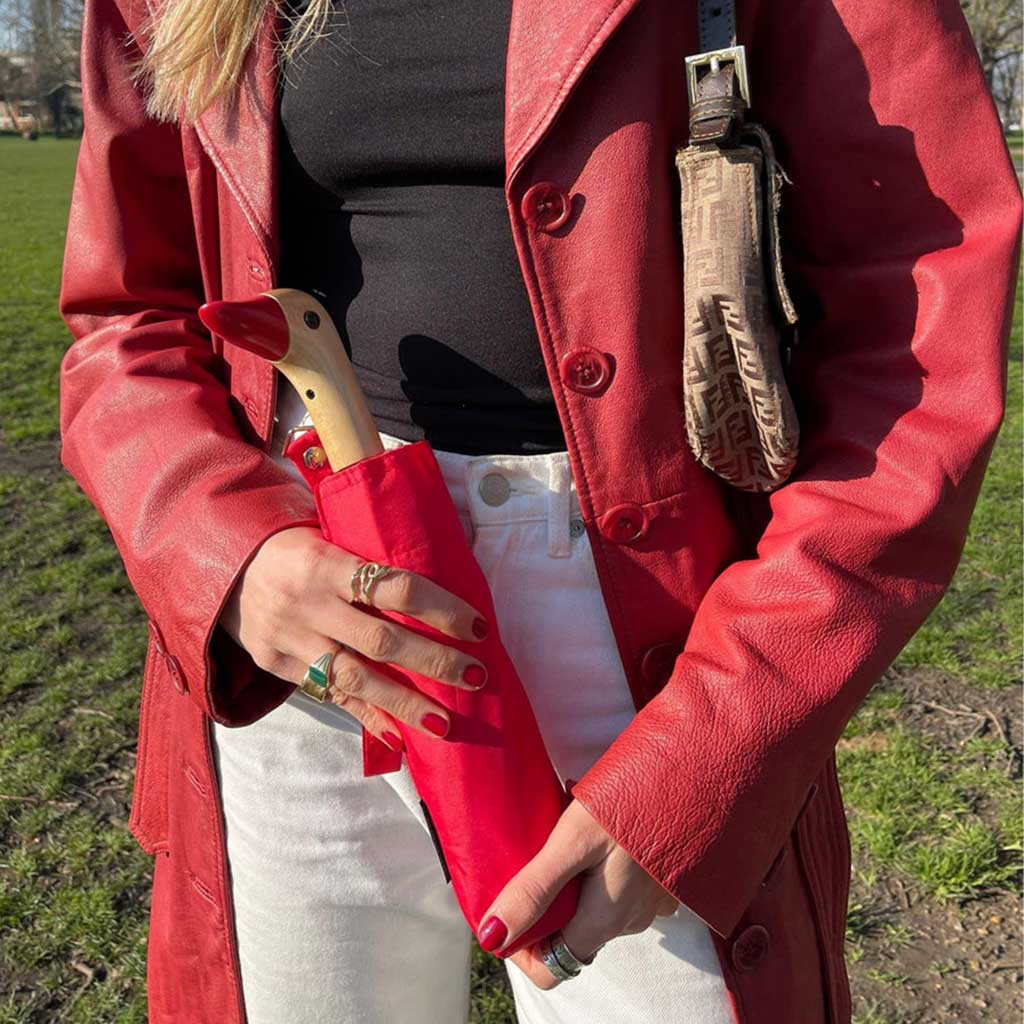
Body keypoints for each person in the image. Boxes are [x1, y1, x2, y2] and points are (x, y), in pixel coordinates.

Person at [56, 0, 1022, 1021]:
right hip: (301, 604)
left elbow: (915, 320)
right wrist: (226, 549)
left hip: (657, 635)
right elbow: (128, 311)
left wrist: (708, 755)